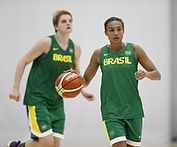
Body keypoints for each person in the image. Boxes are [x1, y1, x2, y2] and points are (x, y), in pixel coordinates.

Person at [8, 10, 94, 147]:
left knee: (54, 144)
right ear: (56, 26)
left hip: (56, 101)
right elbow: (23, 61)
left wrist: (83, 92)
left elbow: (76, 74)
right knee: (46, 142)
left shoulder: (75, 48)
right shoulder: (47, 43)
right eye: (64, 21)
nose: (68, 23)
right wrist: (15, 88)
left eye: (70, 20)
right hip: (38, 98)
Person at [82, 17, 161, 147]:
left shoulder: (135, 50)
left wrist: (145, 74)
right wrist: (73, 79)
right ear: (105, 32)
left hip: (133, 110)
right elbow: (85, 81)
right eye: (111, 30)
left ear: (123, 31)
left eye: (119, 29)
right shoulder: (99, 53)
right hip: (111, 110)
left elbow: (157, 75)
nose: (116, 33)